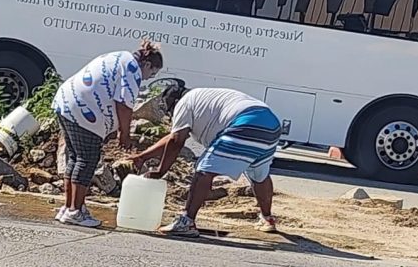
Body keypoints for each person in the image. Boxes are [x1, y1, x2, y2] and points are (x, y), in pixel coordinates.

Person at [132, 85, 282, 237]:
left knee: (203, 170)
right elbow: (172, 137)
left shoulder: (184, 103)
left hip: (245, 122)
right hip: (270, 124)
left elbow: (176, 141)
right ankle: (267, 219)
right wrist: (143, 156)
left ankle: (186, 222)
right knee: (259, 175)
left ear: (173, 102)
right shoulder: (200, 97)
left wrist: (160, 171)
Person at [52, 40, 163, 227]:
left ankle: (69, 207)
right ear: (147, 64)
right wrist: (124, 134)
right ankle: (75, 211)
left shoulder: (119, 57)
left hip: (65, 102)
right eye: (151, 73)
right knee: (87, 159)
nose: (148, 78)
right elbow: (124, 105)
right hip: (83, 111)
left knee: (75, 157)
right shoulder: (132, 70)